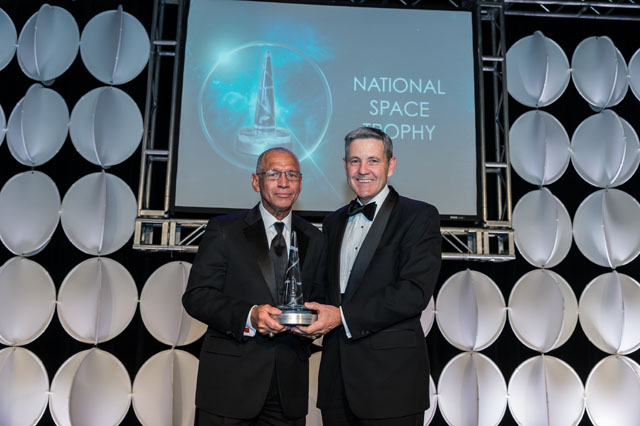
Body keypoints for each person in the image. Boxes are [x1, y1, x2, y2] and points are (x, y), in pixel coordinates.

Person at [298, 126, 442, 426]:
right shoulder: (334, 220)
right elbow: (327, 292)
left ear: (391, 164)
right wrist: (302, 317)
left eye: (373, 161)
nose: (363, 170)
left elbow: (413, 293)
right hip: (336, 383)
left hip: (392, 385)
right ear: (345, 165)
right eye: (354, 161)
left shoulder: (419, 216)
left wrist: (340, 316)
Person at [183, 147, 326, 426]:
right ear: (255, 181)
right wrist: (250, 315)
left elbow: (318, 299)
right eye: (273, 174)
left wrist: (313, 322)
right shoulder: (224, 230)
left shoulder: (315, 238)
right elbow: (197, 297)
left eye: (292, 174)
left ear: (300, 182)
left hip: (289, 391)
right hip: (229, 387)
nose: (283, 182)